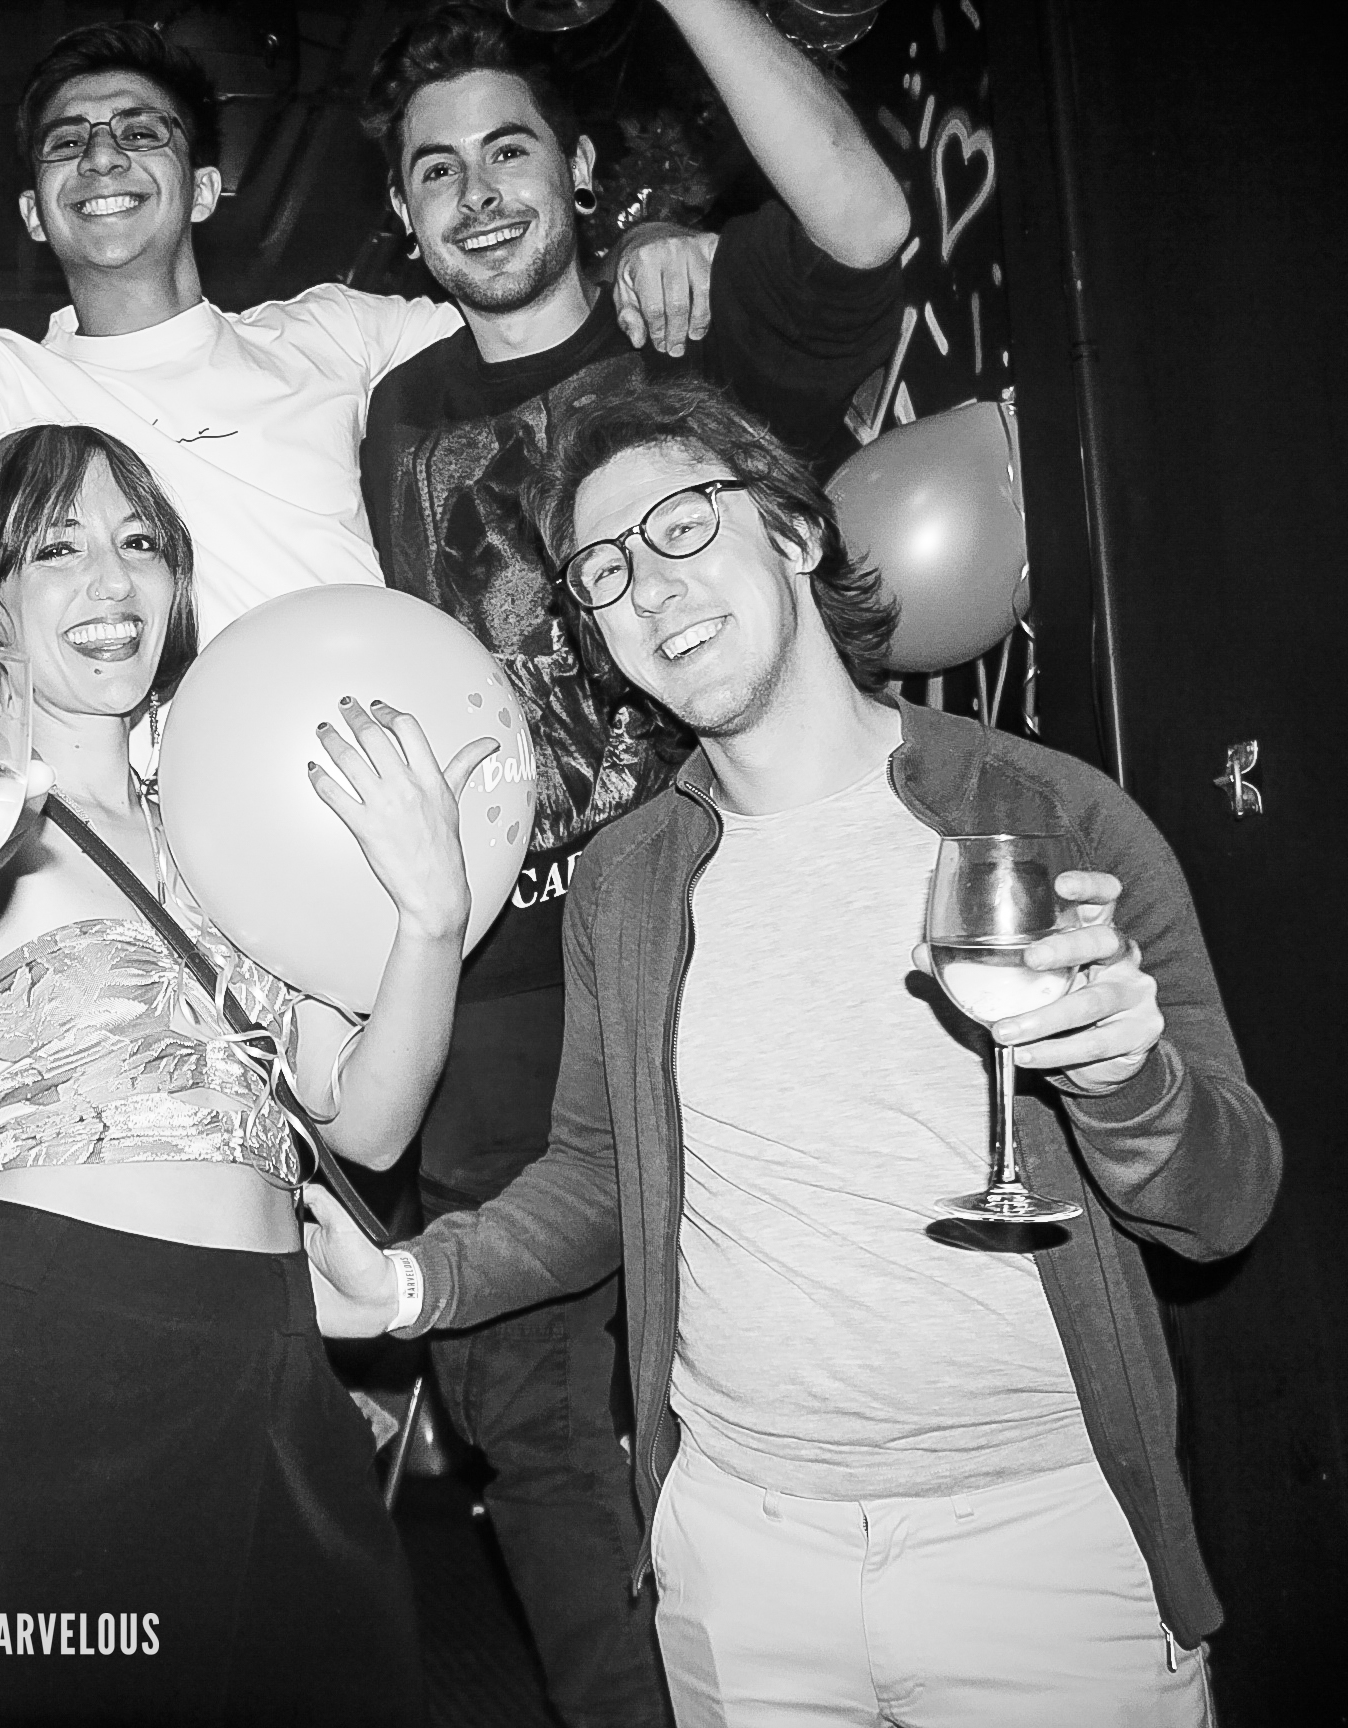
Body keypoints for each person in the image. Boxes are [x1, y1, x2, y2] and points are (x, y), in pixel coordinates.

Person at [307, 378, 1281, 1725]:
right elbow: (597, 1175)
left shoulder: (1049, 817)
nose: (651, 585)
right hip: (739, 1560)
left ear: (797, 533)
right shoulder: (628, 882)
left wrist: (1127, 1084)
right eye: (603, 571)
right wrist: (417, 1281)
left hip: (1042, 1549)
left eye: (683, 525)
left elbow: (1224, 1210)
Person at [350, 7, 912, 1718]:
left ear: (582, 167)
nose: (478, 191)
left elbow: (866, 226)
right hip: (502, 970)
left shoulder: (690, 320)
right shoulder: (395, 413)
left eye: (510, 147)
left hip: (725, 920)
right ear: (404, 216)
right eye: (436, 170)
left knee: (774, 1338)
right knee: (524, 1412)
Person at [0, 424, 494, 1727]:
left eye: (138, 545)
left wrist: (430, 917)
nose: (111, 582)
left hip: (267, 1365)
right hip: (44, 1362)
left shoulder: (232, 827)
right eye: (57, 550)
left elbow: (370, 1124)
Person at [0, 8, 716, 646]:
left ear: (203, 189)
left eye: (141, 132)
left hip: (412, 815)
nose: (103, 157)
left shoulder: (335, 332)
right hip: (187, 863)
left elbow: (530, 309)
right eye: (67, 144)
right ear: (35, 213)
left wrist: (644, 245)